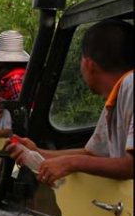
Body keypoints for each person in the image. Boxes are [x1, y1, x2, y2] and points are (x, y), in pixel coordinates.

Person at [8, 19, 133, 185]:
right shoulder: (117, 97)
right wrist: (37, 152)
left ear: (89, 64)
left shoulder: (131, 86)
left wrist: (71, 163)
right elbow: (94, 156)